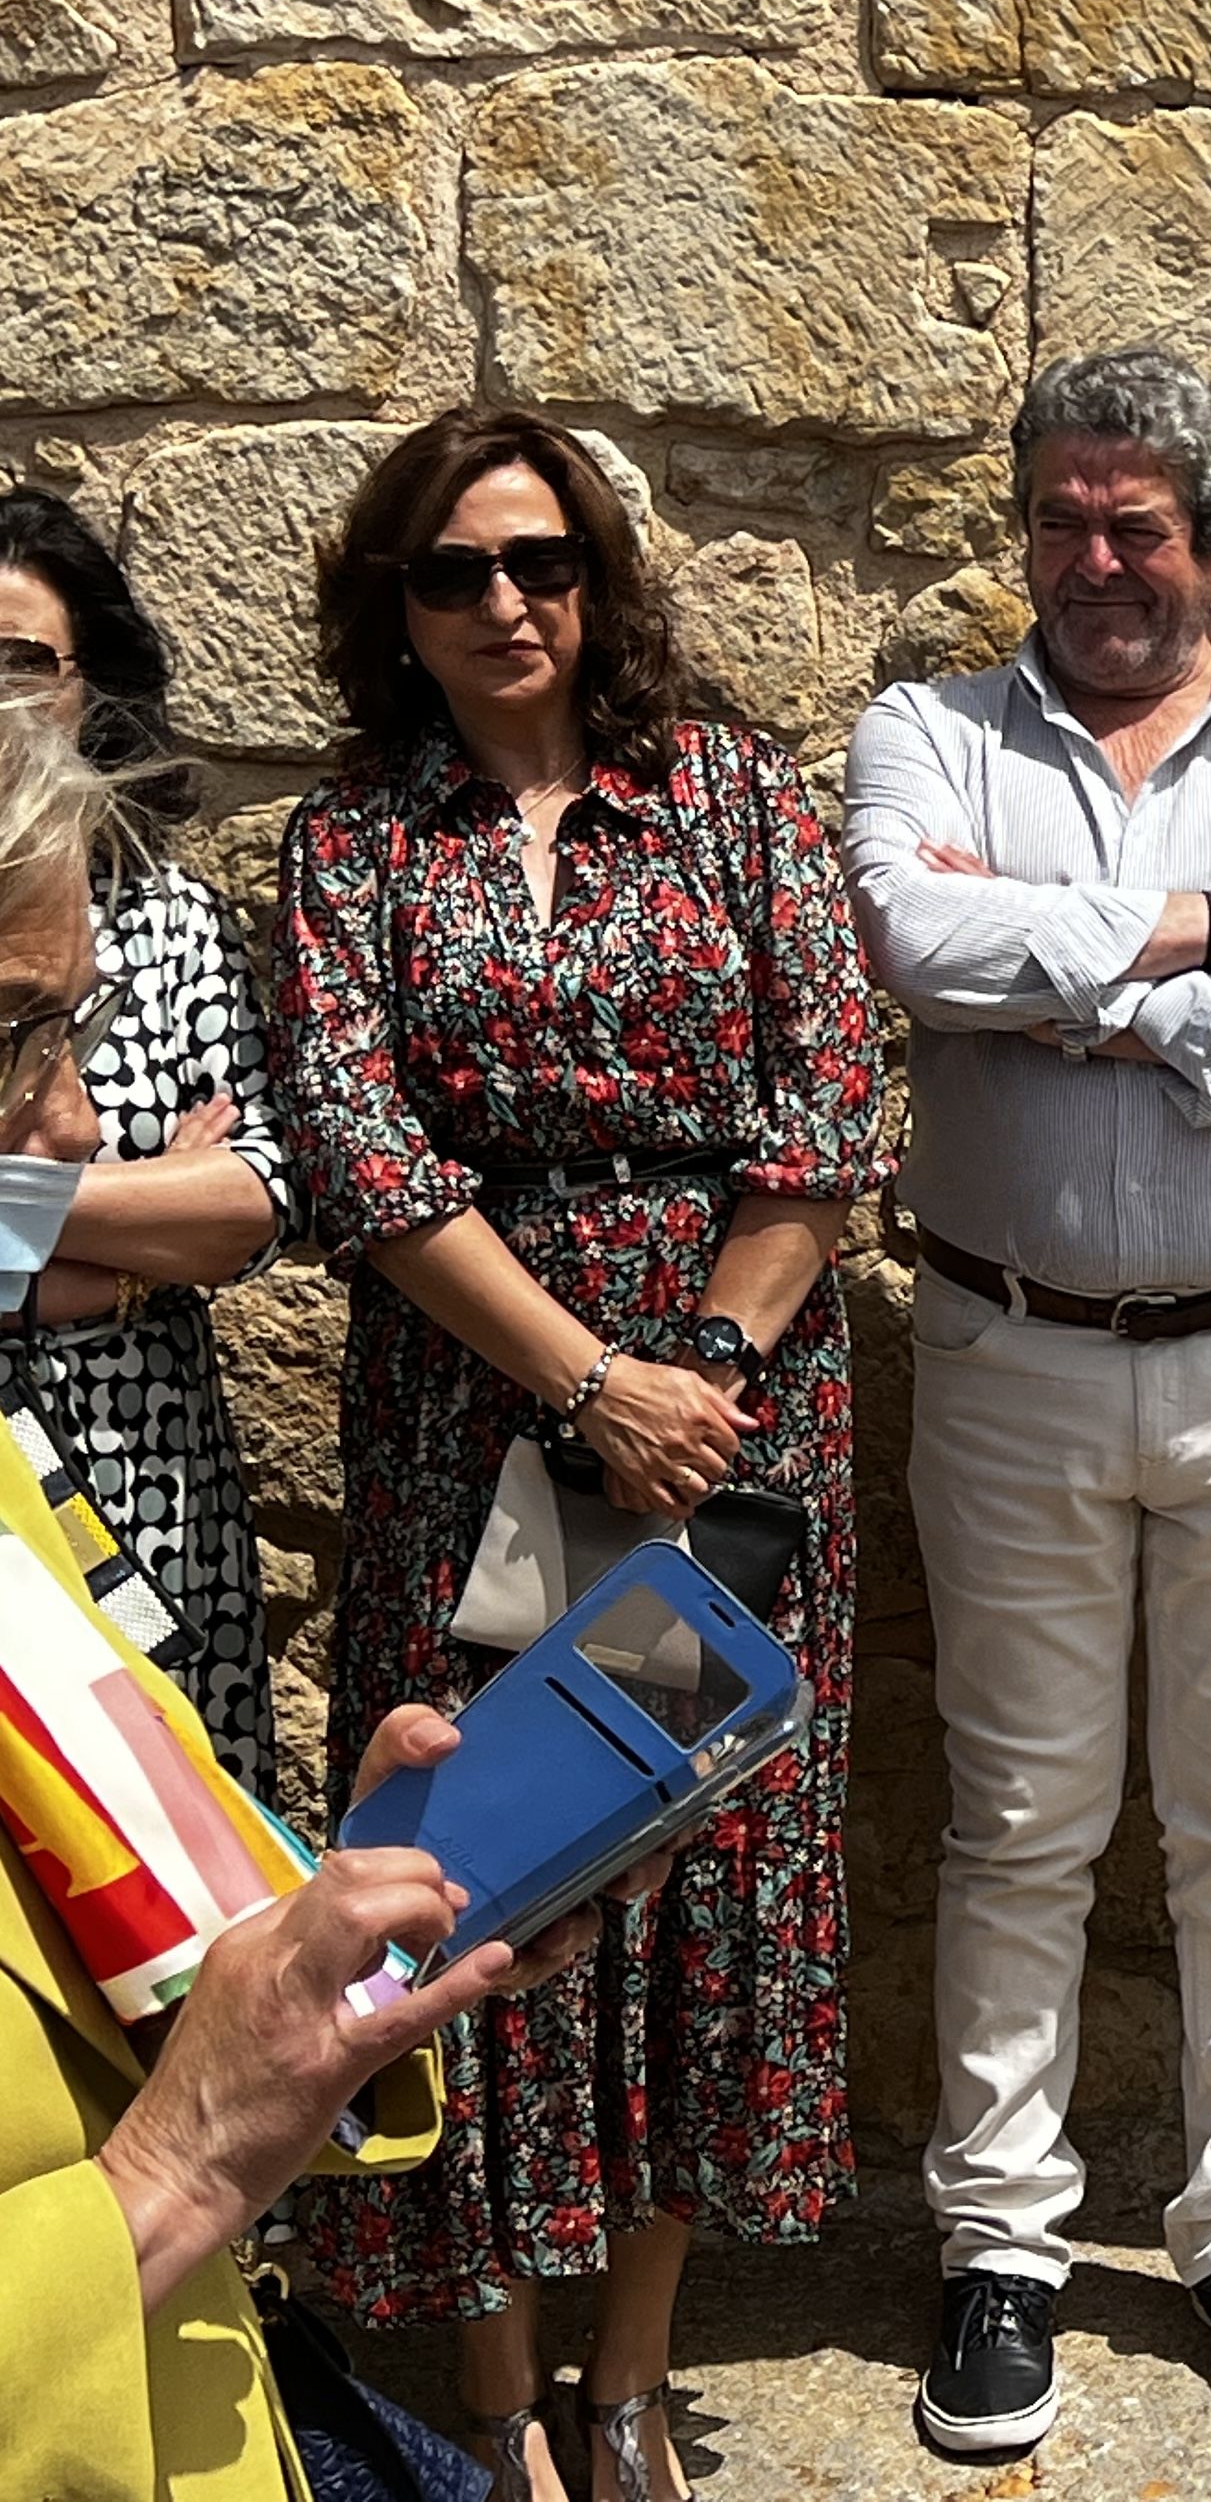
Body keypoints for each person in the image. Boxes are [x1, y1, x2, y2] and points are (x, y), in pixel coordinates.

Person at [272, 408, 891, 2502]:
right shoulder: (354, 840)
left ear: (598, 576)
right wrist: (582, 1387)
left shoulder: (730, 796)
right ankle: (498, 2399)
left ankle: (630, 2383)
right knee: (490, 1868)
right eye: (456, 573)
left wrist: (696, 1368)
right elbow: (361, 1147)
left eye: (540, 562)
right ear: (401, 605)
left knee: (685, 1868)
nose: (507, 604)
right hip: (477, 1433)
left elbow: (831, 1107)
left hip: (724, 1441)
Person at [847, 350, 1211, 2448]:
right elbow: (910, 942)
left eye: (1138, 528)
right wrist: (1201, 939)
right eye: (1062, 524)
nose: (1096, 567)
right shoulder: (930, 729)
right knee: (1016, 1820)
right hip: (1009, 1346)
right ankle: (1001, 2245)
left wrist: (1096, 1004)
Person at [5, 694, 602, 2502]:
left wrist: (303, 1928)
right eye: (17, 1030)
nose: (74, 1116)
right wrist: (181, 2160)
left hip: (210, 2381)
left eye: (79, 1022)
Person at [0, 493, 296, 1792]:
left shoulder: (167, 917)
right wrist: (123, 1242)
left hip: (140, 1475)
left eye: (24, 663)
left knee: (169, 1808)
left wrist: (32, 1235)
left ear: (88, 686)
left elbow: (250, 1202)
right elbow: (182, 1212)